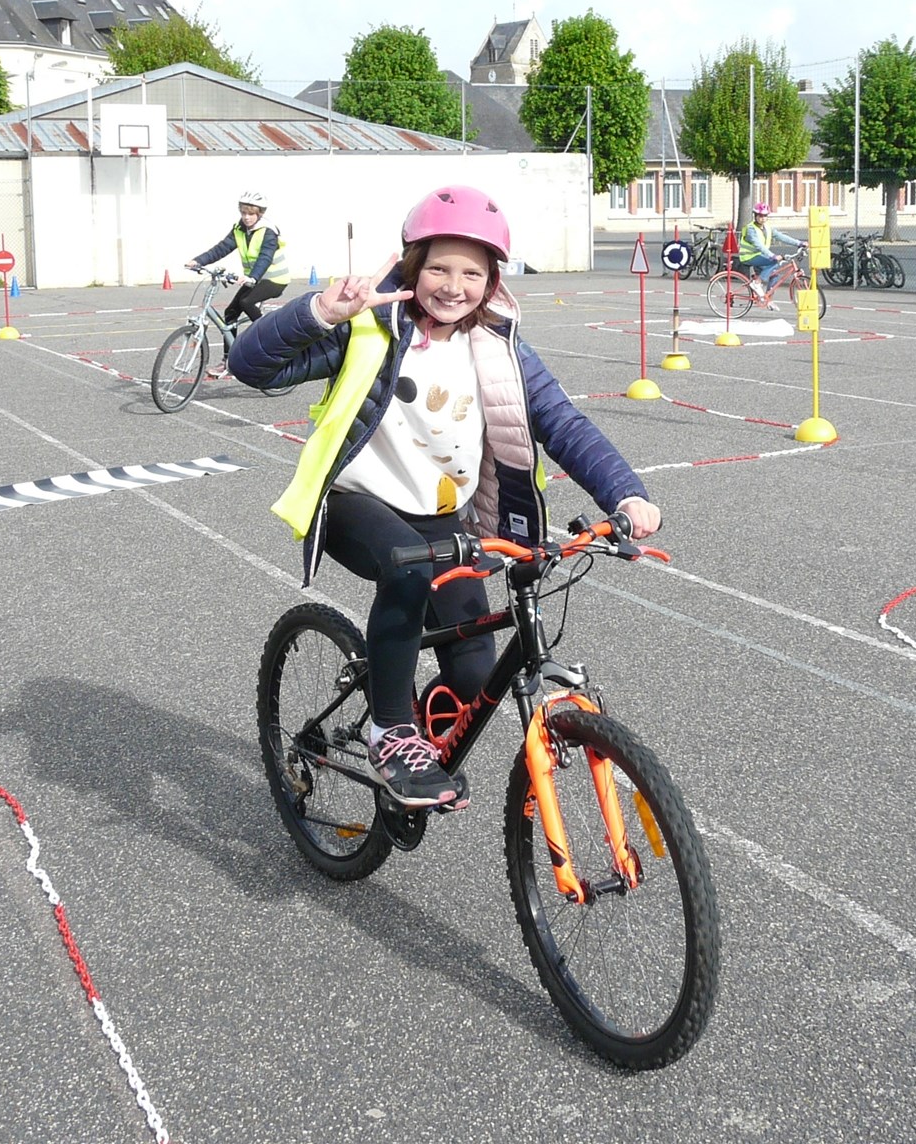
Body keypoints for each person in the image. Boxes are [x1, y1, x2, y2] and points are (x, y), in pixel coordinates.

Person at [231, 185, 660, 810]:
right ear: (412, 266)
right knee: (407, 569)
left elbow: (563, 423)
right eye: (437, 267)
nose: (453, 285)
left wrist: (625, 494)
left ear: (492, 282)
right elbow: (250, 366)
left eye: (471, 272)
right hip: (358, 504)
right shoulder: (368, 331)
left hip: (447, 519)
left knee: (471, 672)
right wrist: (320, 311)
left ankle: (414, 758)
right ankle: (389, 733)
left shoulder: (501, 348)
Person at [186, 190, 289, 329]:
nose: (246, 217)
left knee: (246, 302)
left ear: (260, 214)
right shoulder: (239, 229)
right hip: (254, 280)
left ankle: (269, 334)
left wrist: (252, 277)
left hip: (274, 280)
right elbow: (222, 248)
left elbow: (265, 257)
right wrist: (199, 261)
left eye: (251, 214)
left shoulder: (268, 231)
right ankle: (229, 351)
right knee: (230, 313)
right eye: (243, 213)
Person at [738, 202, 801, 301]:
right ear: (755, 216)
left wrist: (798, 243)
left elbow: (781, 237)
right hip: (749, 256)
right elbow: (758, 245)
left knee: (774, 274)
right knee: (774, 262)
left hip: (760, 256)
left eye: (765, 216)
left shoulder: (767, 227)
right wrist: (772, 256)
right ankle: (757, 283)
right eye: (760, 216)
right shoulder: (751, 229)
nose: (762, 218)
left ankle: (768, 299)